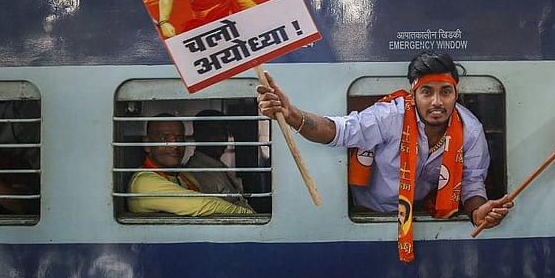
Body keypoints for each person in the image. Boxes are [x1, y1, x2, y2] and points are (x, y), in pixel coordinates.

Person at [255, 52, 512, 234]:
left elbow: (471, 182)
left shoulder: (470, 130)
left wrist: (478, 212)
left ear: (456, 94)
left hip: (420, 214)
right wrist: (291, 114)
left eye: (445, 92)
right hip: (368, 212)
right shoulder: (389, 116)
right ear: (413, 94)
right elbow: (338, 130)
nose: (437, 102)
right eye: (427, 92)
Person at [127, 115, 254, 216]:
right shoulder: (144, 181)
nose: (175, 145)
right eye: (164, 138)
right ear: (147, 144)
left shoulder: (183, 175)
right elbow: (203, 204)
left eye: (179, 138)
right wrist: (250, 216)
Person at [187, 110, 251, 208]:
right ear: (197, 136)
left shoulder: (219, 166)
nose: (222, 137)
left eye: (224, 132)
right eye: (213, 132)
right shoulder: (197, 173)